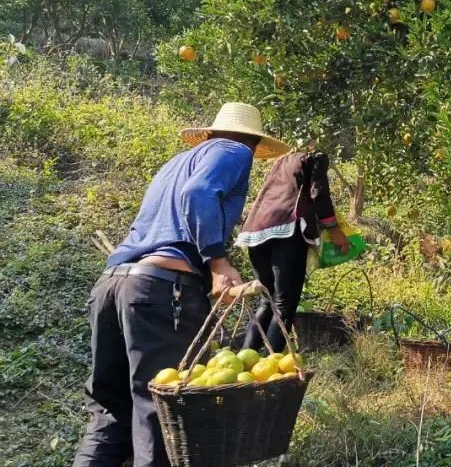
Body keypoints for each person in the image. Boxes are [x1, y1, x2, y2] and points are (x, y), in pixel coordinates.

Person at [73, 102, 289, 467]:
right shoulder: (235, 150)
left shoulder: (177, 162)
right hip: (159, 291)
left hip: (113, 285)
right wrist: (218, 262)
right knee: (162, 414)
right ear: (252, 141)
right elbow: (198, 194)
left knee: (111, 415)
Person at [235, 150, 348, 353]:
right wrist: (334, 229)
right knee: (284, 302)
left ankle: (245, 358)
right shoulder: (315, 156)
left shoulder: (281, 160)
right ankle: (271, 363)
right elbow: (318, 193)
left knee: (268, 299)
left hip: (255, 231)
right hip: (286, 228)